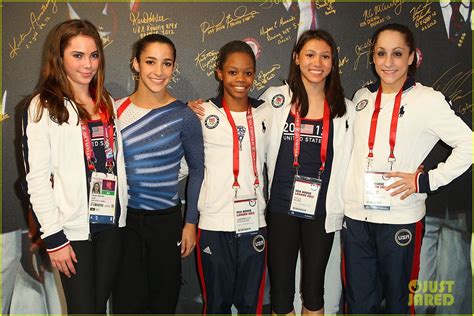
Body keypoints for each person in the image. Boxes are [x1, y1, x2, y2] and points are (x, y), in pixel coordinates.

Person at [341, 23, 472, 314]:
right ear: (372, 57)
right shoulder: (362, 97)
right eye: (381, 53)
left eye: (397, 53)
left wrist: (426, 181)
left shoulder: (428, 100)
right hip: (356, 219)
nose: (388, 62)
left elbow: (469, 144)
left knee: (400, 305)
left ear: (412, 57)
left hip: (400, 218)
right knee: (359, 304)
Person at [23, 19, 128, 314]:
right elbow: (38, 179)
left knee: (97, 307)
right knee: (83, 310)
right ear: (60, 57)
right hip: (73, 230)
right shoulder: (44, 105)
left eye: (94, 55)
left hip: (111, 223)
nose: (88, 64)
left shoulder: (104, 100)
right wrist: (54, 237)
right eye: (78, 55)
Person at [259, 29, 354, 315]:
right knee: (281, 292)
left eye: (325, 56)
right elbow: (240, 122)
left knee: (314, 291)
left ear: (333, 63)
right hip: (280, 209)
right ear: (296, 58)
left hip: (321, 212)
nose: (317, 62)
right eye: (310, 55)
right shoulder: (275, 100)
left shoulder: (345, 110)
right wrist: (200, 109)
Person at [112, 34, 204, 314]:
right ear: (136, 64)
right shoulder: (116, 110)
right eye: (150, 61)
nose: (158, 71)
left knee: (163, 302)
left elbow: (198, 169)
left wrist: (190, 223)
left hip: (166, 222)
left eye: (166, 63)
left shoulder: (184, 115)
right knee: (127, 303)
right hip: (124, 222)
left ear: (174, 67)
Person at [193, 40, 271, 314]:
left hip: (254, 221)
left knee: (251, 305)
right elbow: (188, 165)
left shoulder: (266, 112)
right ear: (219, 73)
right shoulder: (202, 113)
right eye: (233, 71)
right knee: (217, 305)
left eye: (248, 73)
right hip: (214, 223)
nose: (241, 79)